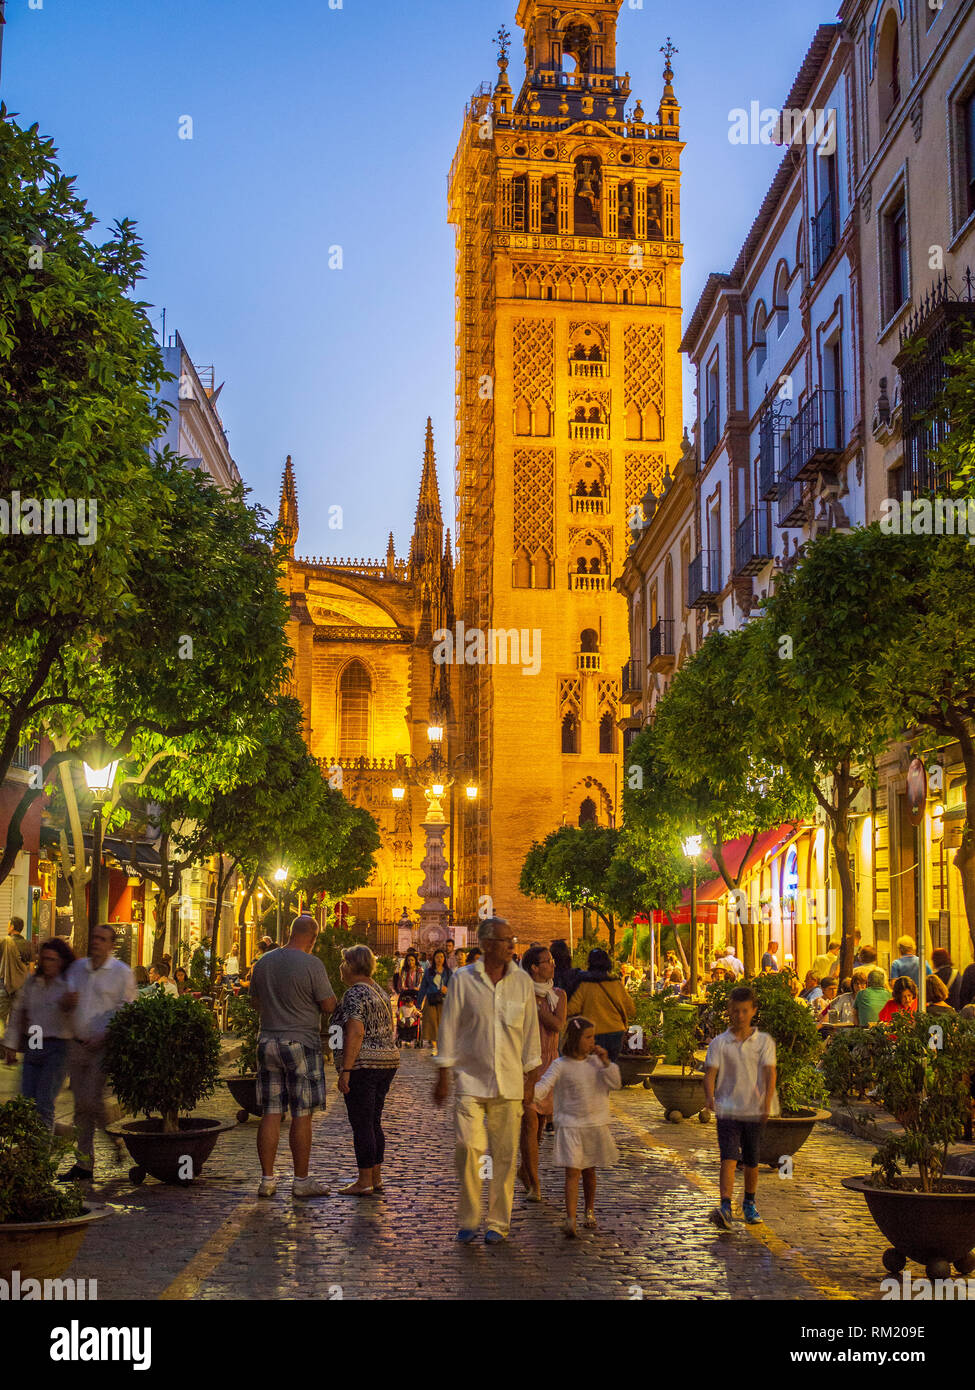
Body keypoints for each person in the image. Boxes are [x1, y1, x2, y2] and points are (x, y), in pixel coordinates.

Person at [432, 916, 541, 1245]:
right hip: (470, 1080)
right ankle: (468, 1217)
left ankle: (498, 1222)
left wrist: (530, 1080)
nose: (511, 945)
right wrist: (442, 1074)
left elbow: (531, 1034)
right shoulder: (464, 980)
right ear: (486, 944)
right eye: (505, 940)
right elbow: (448, 1027)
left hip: (509, 1082)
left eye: (512, 939)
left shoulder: (521, 982)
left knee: (504, 1155)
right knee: (469, 1147)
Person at [248, 914, 336, 1199]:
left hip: (268, 1041)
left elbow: (254, 1002)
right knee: (302, 1114)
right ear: (312, 938)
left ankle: (267, 1180)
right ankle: (300, 1181)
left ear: (289, 931)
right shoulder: (312, 964)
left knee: (271, 1112)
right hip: (302, 1043)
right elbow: (328, 1004)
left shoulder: (264, 962)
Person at [61, 924, 137, 1182]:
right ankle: (89, 1160)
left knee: (88, 1102)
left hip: (102, 1047)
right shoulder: (77, 969)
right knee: (84, 1106)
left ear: (112, 944)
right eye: (94, 937)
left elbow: (127, 1009)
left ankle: (93, 1157)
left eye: (102, 939)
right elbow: (65, 998)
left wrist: (105, 1035)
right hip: (76, 1045)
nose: (96, 942)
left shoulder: (121, 973)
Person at [533, 1015, 620, 1238]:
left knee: (589, 1171)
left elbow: (614, 1082)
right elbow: (545, 1085)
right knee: (572, 1171)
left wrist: (607, 1062)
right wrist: (529, 1095)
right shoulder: (560, 1065)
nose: (592, 1042)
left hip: (593, 1124)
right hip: (570, 1125)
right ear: (575, 1040)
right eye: (588, 1037)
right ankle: (570, 1218)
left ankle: (588, 1210)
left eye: (593, 1037)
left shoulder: (596, 1063)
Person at [704, 985, 777, 1229]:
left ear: (753, 1011)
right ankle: (725, 1203)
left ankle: (749, 1202)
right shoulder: (719, 1043)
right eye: (735, 1011)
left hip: (753, 1109)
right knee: (728, 1156)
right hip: (727, 1108)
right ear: (729, 1011)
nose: (740, 1016)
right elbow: (710, 1073)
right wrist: (710, 1097)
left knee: (752, 1159)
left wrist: (766, 1102)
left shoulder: (764, 1042)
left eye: (745, 1011)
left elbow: (770, 1073)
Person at [331, 944, 400, 1196]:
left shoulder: (354, 994)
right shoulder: (378, 990)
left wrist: (346, 1070)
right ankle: (376, 1176)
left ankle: (364, 1181)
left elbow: (356, 1031)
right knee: (374, 1121)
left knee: (361, 1123)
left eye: (343, 962)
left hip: (364, 1064)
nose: (340, 967)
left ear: (351, 966)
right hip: (386, 1062)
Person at [2, 937, 75, 1130]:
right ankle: (31, 1148)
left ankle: (41, 1152)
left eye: (52, 959)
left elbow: (78, 1015)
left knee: (44, 1101)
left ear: (61, 961)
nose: (48, 963)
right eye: (45, 958)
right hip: (35, 1040)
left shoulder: (68, 985)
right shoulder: (33, 983)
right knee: (27, 1100)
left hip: (58, 1046)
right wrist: (11, 1043)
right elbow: (19, 1011)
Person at [518, 944, 567, 1203]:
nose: (553, 965)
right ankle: (534, 1184)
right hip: (527, 1067)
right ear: (534, 968)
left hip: (550, 1066)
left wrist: (537, 1008)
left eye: (552, 960)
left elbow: (558, 1025)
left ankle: (525, 1170)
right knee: (529, 1124)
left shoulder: (558, 994)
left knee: (538, 1131)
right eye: (547, 961)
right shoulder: (519, 994)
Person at [566, 948, 635, 1062]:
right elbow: (631, 1009)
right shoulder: (616, 984)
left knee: (593, 1068)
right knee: (610, 1065)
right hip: (616, 1032)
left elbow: (571, 1009)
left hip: (592, 1033)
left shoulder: (585, 985)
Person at [0, 917, 33, 1028]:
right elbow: (32, 970)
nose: (7, 927)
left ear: (12, 927)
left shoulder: (5, 942)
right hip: (21, 986)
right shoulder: (28, 945)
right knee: (16, 1019)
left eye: (8, 925)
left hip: (4, 985)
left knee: (1, 1019)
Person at [417, 949, 451, 1055]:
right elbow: (423, 987)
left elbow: (454, 985)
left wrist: (448, 989)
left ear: (444, 959)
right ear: (434, 959)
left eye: (441, 957)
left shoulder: (448, 972)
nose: (439, 959)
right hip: (431, 1000)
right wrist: (419, 1003)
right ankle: (435, 1048)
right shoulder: (428, 971)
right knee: (431, 1023)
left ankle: (442, 1047)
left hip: (443, 1000)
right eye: (437, 957)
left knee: (442, 1023)